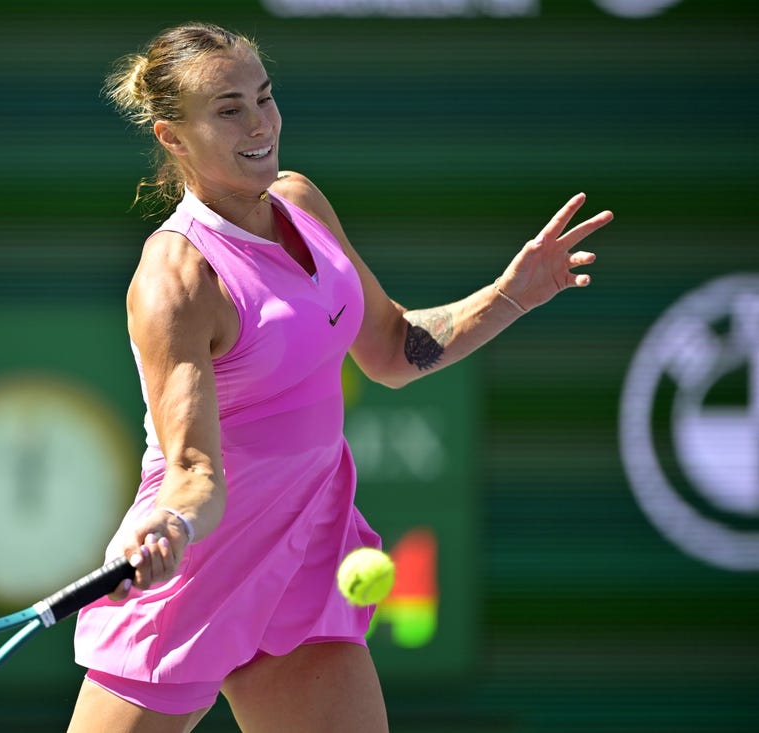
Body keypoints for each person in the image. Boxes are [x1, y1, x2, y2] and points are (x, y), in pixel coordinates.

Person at [67, 22, 613, 733]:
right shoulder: (176, 278)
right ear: (172, 137)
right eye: (229, 109)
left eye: (264, 98)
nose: (260, 124)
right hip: (198, 563)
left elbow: (389, 349)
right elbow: (195, 467)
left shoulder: (300, 201)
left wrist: (509, 294)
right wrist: (169, 524)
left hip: (304, 549)